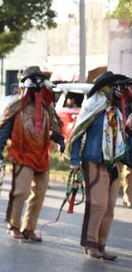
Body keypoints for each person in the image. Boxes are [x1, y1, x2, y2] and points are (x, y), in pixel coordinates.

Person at [66, 71, 132, 260]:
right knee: (97, 204)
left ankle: (101, 245)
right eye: (117, 86)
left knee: (110, 207)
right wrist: (74, 162)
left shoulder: (118, 111)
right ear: (107, 88)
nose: (121, 90)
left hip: (113, 163)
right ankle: (90, 243)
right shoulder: (93, 107)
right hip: (94, 160)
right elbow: (78, 133)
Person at [0, 66, 64, 242]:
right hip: (21, 154)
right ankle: (13, 225)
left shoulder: (47, 106)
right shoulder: (15, 105)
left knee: (39, 192)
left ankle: (29, 228)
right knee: (21, 191)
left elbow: (53, 129)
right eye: (34, 79)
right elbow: (4, 128)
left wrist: (60, 141)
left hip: (41, 154)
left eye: (40, 79)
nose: (38, 83)